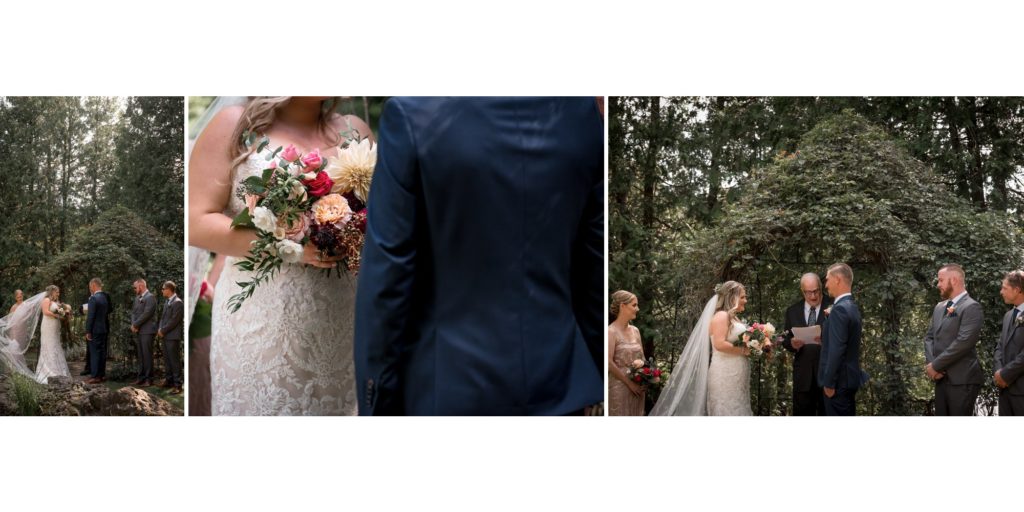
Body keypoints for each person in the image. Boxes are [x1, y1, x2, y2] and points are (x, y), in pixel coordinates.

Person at [354, 97, 604, 415]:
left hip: (447, 389)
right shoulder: (580, 115)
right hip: (559, 386)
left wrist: (375, 403)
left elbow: (387, 277)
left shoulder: (414, 114)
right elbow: (593, 268)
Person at [190, 96, 373, 415]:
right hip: (263, 322)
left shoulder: (356, 132)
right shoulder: (235, 126)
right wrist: (290, 246)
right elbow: (195, 221)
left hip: (342, 318)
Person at [651, 280, 752, 416]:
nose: (745, 300)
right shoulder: (721, 316)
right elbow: (719, 344)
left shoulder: (734, 318)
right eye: (742, 297)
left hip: (737, 373)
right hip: (725, 374)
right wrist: (744, 350)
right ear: (732, 297)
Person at [923, 264, 983, 415]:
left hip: (962, 381)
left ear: (954, 280)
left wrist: (936, 365)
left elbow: (964, 342)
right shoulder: (939, 307)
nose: (938, 284)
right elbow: (929, 338)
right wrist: (932, 366)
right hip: (940, 379)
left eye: (941, 280)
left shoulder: (971, 307)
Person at [818, 263, 868, 416]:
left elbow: (837, 350)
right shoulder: (850, 306)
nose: (826, 285)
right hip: (848, 380)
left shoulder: (840, 309)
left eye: (827, 280)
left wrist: (829, 383)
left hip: (838, 384)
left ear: (838, 279)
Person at [781, 273, 830, 416]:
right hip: (803, 376)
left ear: (821, 288)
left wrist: (826, 342)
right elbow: (785, 338)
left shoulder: (834, 306)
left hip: (828, 374)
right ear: (802, 291)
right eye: (809, 292)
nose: (813, 296)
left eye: (816, 291)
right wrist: (791, 343)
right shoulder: (792, 311)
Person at [608, 290, 645, 416]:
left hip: (638, 387)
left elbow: (643, 358)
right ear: (622, 306)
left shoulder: (635, 331)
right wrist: (629, 384)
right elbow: (608, 363)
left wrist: (647, 377)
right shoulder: (611, 332)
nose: (637, 309)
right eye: (634, 305)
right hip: (619, 387)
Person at [994, 270, 1024, 416]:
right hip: (1004, 389)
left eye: (1005, 288)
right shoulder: (1008, 316)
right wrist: (998, 373)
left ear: (1017, 290)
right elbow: (1000, 346)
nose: (1001, 292)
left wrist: (1006, 375)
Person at [34, 285, 71, 384]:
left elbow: (61, 312)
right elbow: (45, 312)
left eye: (58, 292)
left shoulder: (57, 303)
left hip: (55, 327)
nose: (58, 294)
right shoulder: (46, 300)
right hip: (47, 326)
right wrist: (57, 314)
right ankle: (47, 371)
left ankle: (58, 370)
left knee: (55, 345)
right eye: (57, 292)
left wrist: (63, 314)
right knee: (49, 346)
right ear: (52, 292)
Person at [158, 281, 184, 395]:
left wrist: (163, 330)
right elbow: (163, 318)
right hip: (165, 335)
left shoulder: (178, 302)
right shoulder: (167, 302)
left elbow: (174, 321)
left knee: (174, 361)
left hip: (173, 336)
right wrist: (160, 329)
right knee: (167, 360)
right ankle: (169, 381)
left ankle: (178, 385)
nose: (162, 291)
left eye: (163, 288)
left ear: (169, 289)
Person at [131, 279, 158, 386]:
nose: (134, 289)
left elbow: (147, 314)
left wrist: (135, 325)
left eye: (135, 287)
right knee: (141, 355)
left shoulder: (150, 297)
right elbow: (133, 313)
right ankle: (141, 377)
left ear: (141, 286)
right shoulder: (137, 298)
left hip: (147, 331)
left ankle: (149, 379)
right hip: (139, 330)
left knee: (147, 355)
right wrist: (134, 324)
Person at [85, 278, 111, 384]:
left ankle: (95, 376)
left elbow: (90, 317)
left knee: (95, 353)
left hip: (95, 329)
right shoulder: (105, 297)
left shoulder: (93, 298)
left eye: (90, 286)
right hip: (104, 328)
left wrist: (88, 331)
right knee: (102, 352)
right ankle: (102, 375)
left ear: (94, 285)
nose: (90, 288)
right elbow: (109, 310)